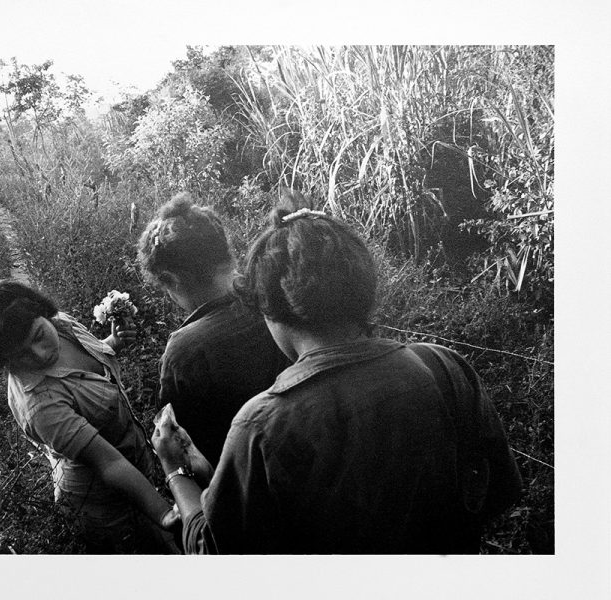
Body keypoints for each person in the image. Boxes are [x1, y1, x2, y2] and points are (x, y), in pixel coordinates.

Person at [152, 197, 523, 554]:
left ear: (272, 309)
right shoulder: (445, 365)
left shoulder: (260, 426)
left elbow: (212, 551)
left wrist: (176, 471)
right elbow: (500, 493)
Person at [0, 279, 178, 553]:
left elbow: (90, 363)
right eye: (20, 354)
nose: (40, 354)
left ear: (42, 311)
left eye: (39, 336)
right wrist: (164, 513)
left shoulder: (61, 324)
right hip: (102, 505)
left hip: (136, 472)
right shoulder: (41, 405)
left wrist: (112, 343)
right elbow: (108, 464)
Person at [136, 194, 290, 466]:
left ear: (171, 280)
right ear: (224, 252)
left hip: (241, 479)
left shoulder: (183, 351)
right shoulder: (276, 299)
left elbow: (185, 443)